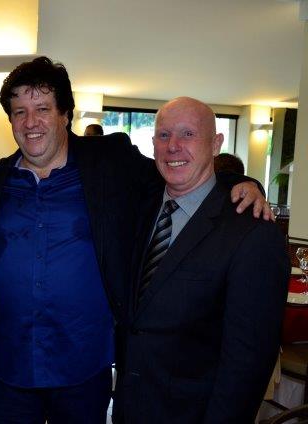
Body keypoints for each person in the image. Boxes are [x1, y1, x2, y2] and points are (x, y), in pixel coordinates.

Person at [0, 57, 269, 423]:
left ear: (64, 115)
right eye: (19, 112)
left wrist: (241, 182)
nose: (30, 122)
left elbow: (176, 172)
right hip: (10, 364)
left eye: (42, 109)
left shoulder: (109, 162)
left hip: (84, 367)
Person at [115, 97, 289, 423]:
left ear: (216, 144)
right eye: (164, 135)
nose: (173, 146)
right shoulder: (140, 208)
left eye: (188, 134)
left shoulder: (253, 233)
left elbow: (247, 362)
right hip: (130, 409)